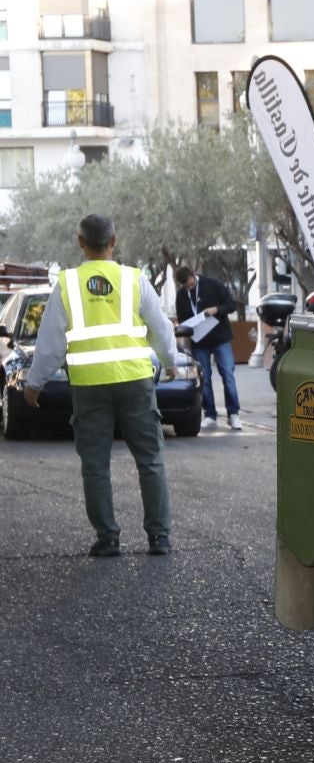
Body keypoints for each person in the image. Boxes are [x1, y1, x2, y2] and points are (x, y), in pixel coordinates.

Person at [24, 215, 176, 557]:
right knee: (150, 459)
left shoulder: (68, 284)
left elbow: (51, 342)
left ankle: (108, 538)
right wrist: (170, 363)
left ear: (80, 243)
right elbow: (161, 329)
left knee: (95, 464)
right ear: (114, 241)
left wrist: (35, 384)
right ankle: (159, 537)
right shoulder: (134, 279)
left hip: (89, 386)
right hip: (135, 380)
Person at [173, 264, 241, 431]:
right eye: (186, 286)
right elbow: (182, 318)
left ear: (193, 275)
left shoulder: (213, 284)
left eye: (190, 284)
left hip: (220, 337)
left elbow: (231, 305)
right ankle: (209, 414)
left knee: (228, 374)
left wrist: (216, 309)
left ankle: (233, 414)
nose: (189, 287)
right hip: (199, 341)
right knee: (205, 379)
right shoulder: (181, 295)